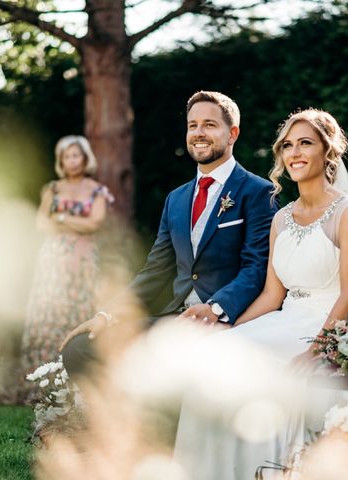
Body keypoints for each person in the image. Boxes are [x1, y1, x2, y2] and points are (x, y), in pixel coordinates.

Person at [173, 108, 348, 479]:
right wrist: (231, 329)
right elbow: (270, 294)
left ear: (327, 152)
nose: (294, 153)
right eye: (288, 145)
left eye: (306, 144)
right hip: (285, 318)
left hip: (326, 326)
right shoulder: (282, 217)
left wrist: (316, 351)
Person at [60, 90, 279, 382]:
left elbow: (255, 268)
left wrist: (215, 310)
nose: (199, 133)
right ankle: (122, 421)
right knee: (79, 349)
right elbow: (154, 270)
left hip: (228, 323)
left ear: (232, 134)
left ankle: (162, 420)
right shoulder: (175, 200)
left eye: (210, 125)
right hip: (174, 320)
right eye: (192, 125)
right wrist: (106, 315)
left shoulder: (258, 192)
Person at [20, 135, 114, 393]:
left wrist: (60, 217)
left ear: (85, 158)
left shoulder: (97, 190)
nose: (72, 161)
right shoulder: (52, 188)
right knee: (49, 313)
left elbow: (95, 222)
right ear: (61, 161)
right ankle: (42, 384)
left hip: (83, 259)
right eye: (67, 156)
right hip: (53, 259)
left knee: (79, 311)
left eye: (76, 155)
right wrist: (75, 221)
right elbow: (41, 223)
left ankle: (77, 381)